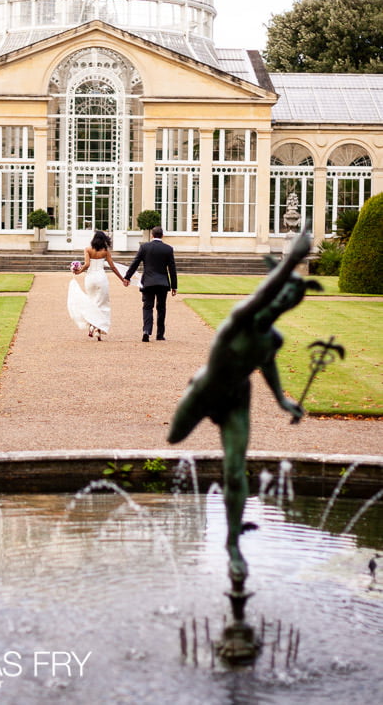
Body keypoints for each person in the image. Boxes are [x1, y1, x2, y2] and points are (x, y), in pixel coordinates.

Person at [167, 230, 322, 586]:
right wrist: (291, 260)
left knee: (235, 471)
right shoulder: (239, 318)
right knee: (174, 438)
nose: (281, 302)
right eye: (280, 295)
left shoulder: (273, 338)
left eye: (289, 301)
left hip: (237, 398)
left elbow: (266, 361)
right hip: (204, 393)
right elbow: (264, 293)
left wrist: (282, 399)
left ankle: (233, 544)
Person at [67, 230, 125, 341]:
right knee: (103, 303)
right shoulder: (105, 251)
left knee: (92, 301)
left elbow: (87, 264)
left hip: (90, 278)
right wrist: (122, 279)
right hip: (101, 278)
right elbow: (112, 267)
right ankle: (98, 329)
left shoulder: (88, 249)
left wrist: (79, 271)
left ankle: (92, 325)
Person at [123, 226, 177, 342]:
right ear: (162, 235)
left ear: (152, 235)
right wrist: (174, 286)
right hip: (162, 282)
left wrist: (127, 277)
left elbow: (135, 263)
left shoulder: (144, 247)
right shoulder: (168, 249)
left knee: (148, 307)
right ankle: (160, 334)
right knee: (161, 308)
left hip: (148, 281)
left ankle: (146, 331)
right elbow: (172, 268)